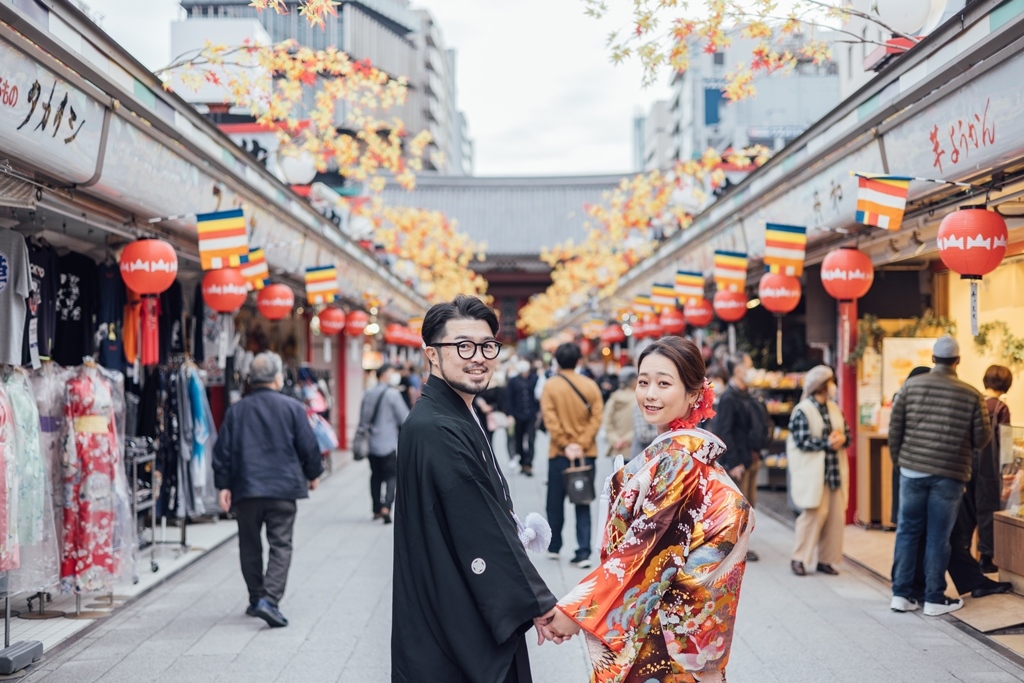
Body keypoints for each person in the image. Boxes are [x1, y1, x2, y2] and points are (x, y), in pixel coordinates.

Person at [546, 336, 752, 682]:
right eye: (644, 382)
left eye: (664, 383)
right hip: (680, 623)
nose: (650, 393)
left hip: (667, 626)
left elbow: (646, 551)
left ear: (693, 394)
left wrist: (576, 611)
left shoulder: (679, 459)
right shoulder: (680, 452)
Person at [391, 295, 563, 683]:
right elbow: (477, 522)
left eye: (487, 346)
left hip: (457, 591)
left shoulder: (450, 413)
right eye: (463, 346)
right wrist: (537, 602)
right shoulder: (435, 426)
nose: (479, 357)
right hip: (454, 606)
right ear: (431, 354)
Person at [213, 352, 324, 628]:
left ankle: (256, 598)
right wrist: (313, 474)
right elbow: (308, 446)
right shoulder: (292, 407)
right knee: (281, 544)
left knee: (249, 544)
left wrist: (223, 485)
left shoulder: (237, 410)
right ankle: (270, 600)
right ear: (277, 378)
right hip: (282, 488)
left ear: (250, 379)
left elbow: (222, 451)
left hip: (246, 488)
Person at [889, 336, 991, 616]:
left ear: (933, 359)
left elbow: (895, 429)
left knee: (907, 531)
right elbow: (982, 438)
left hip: (912, 471)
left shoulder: (910, 386)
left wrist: (901, 462)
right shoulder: (971, 394)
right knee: (938, 536)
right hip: (950, 474)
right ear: (957, 361)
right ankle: (934, 597)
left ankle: (901, 595)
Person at [540, 342, 604, 569]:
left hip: (558, 454)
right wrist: (581, 444)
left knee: (554, 501)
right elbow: (597, 417)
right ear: (579, 361)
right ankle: (584, 550)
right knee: (583, 500)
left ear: (556, 360)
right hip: (587, 454)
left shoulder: (551, 386)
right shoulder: (590, 385)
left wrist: (566, 444)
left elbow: (550, 419)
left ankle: (555, 545)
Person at [788, 365, 850, 577]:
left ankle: (827, 559)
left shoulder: (834, 408)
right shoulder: (803, 410)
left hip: (834, 472)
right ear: (821, 386)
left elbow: (846, 434)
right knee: (812, 516)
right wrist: (827, 443)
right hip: (814, 474)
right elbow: (801, 441)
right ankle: (799, 558)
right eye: (831, 383)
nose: (833, 387)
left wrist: (842, 439)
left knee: (834, 518)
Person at [711, 352, 760, 561]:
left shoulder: (746, 394)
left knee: (749, 506)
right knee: (739, 508)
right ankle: (733, 548)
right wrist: (734, 462)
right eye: (749, 366)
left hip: (751, 457)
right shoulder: (729, 397)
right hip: (739, 460)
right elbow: (724, 431)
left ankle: (742, 546)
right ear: (739, 369)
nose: (752, 371)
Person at [357, 364, 409, 524]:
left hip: (372, 444)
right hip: (388, 444)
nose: (394, 375)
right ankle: (387, 506)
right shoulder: (393, 394)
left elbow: (363, 419)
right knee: (391, 476)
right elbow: (404, 418)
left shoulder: (368, 393)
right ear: (384, 375)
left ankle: (376, 509)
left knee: (375, 476)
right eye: (392, 372)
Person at [976, 364, 1012, 573]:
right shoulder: (1001, 408)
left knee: (972, 511)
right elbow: (1006, 443)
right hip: (990, 467)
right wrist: (1008, 469)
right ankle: (986, 558)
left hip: (971, 464)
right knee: (989, 511)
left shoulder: (977, 402)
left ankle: (970, 556)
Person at [505, 359, 540, 476]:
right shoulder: (513, 381)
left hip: (531, 414)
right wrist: (509, 414)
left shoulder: (535, 378)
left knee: (531, 440)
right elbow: (509, 398)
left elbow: (538, 395)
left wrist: (539, 412)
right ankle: (522, 462)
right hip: (518, 415)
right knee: (518, 441)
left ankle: (529, 464)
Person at [601, 367, 637, 458]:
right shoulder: (637, 399)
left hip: (616, 449)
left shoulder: (613, 398)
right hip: (632, 449)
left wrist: (615, 440)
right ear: (633, 381)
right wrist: (627, 440)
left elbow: (607, 421)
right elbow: (639, 425)